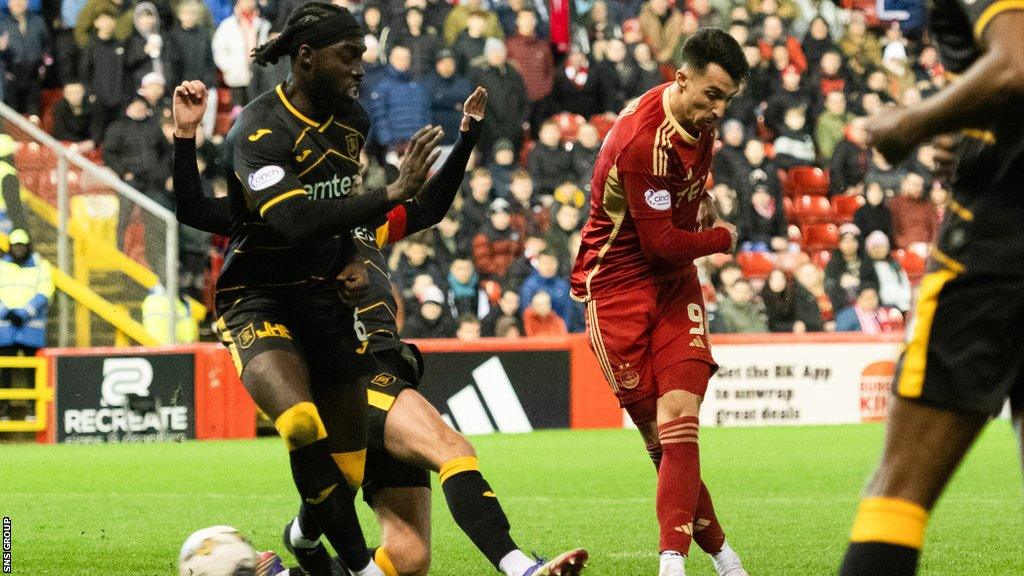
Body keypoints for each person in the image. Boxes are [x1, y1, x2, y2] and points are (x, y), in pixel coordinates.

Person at [173, 78, 587, 576]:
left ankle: (302, 539)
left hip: (391, 368)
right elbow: (199, 211)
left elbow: (430, 207)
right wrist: (184, 138)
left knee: (408, 561)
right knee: (453, 449)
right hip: (353, 370)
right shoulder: (285, 222)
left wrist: (468, 136)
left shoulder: (368, 224)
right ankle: (521, 566)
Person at [174, 4, 447, 574]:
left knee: (346, 471)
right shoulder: (257, 129)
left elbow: (333, 210)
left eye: (362, 57)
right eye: (348, 57)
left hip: (324, 300)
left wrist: (350, 254)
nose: (359, 69)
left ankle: (301, 543)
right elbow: (292, 221)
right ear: (306, 57)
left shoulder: (352, 122)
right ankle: (362, 568)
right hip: (259, 297)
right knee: (300, 423)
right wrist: (391, 192)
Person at [838, 2, 1024, 574]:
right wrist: (970, 132)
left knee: (899, 487)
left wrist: (910, 122)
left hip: (1002, 243)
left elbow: (1015, 64)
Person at [570, 28, 749, 576]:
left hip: (673, 287)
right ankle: (722, 554)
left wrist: (705, 203)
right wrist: (724, 237)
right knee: (661, 441)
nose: (718, 110)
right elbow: (663, 244)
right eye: (711, 95)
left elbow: (683, 206)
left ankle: (673, 564)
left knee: (681, 422)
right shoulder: (642, 141)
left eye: (727, 100)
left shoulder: (694, 120)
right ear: (681, 79)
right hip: (616, 289)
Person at [0, 229, 52, 420]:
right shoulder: (1, 266)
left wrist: (24, 313)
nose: (19, 249)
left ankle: (34, 410)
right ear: (10, 247)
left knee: (34, 371)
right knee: (3, 371)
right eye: (15, 246)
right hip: (5, 328)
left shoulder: (40, 266)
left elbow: (45, 291)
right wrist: (6, 311)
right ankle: (2, 410)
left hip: (31, 328)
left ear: (28, 246)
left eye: (22, 246)